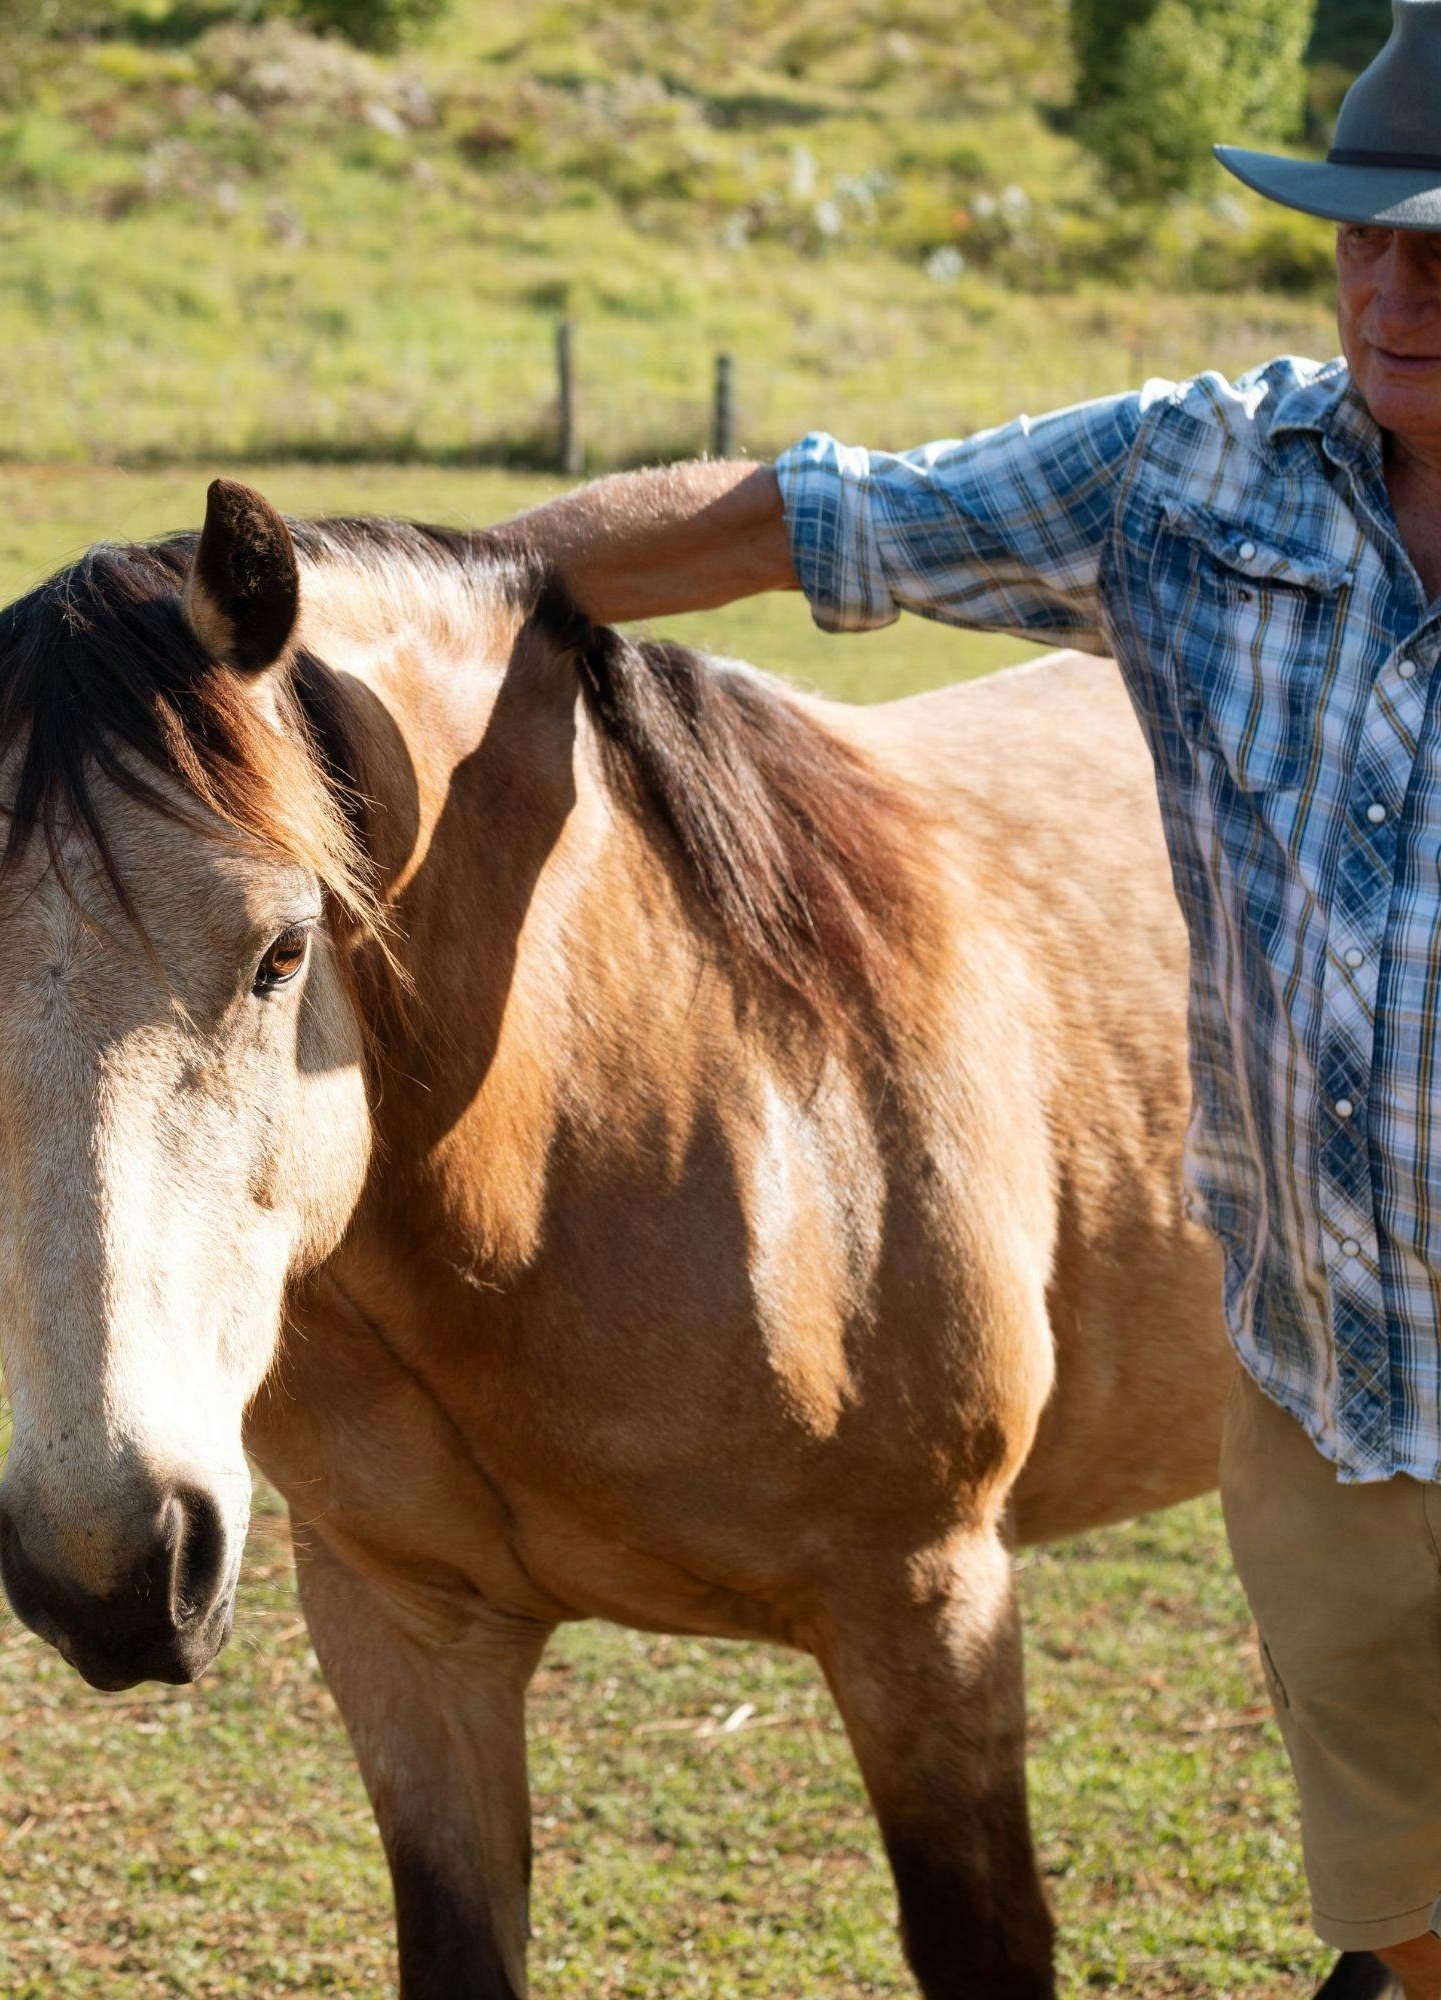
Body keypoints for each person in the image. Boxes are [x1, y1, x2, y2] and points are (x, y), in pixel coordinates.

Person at [493, 4, 1441, 1992]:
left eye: (1437, 239)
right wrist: (394, 596)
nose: (1387, 279)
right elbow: (798, 514)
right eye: (1360, 231)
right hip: (1338, 1410)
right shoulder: (1201, 483)